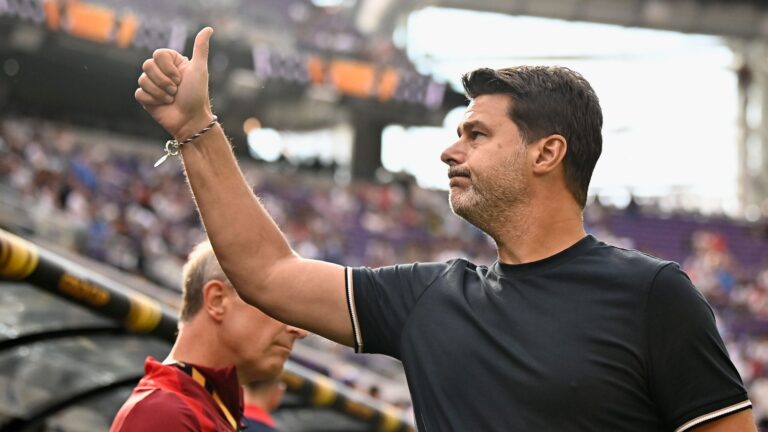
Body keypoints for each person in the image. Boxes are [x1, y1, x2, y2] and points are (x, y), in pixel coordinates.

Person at [134, 27, 756, 431]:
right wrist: (196, 129)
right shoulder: (428, 298)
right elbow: (267, 274)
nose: (449, 152)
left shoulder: (652, 296)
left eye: (476, 134)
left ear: (546, 153)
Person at [110, 240, 306, 431]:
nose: (300, 331)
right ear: (217, 300)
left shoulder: (200, 407)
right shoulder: (164, 412)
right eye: (278, 307)